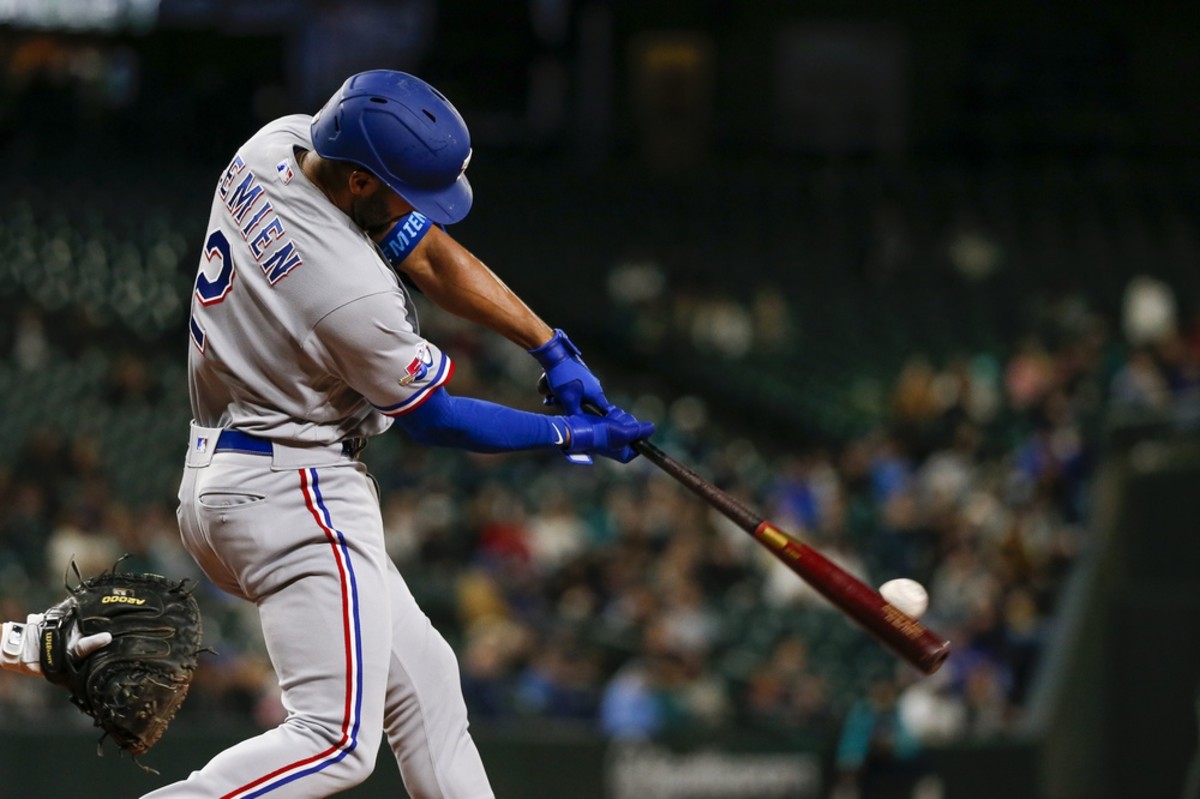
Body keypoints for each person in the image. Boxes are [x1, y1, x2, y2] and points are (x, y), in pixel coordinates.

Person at [145, 69, 651, 798]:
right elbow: (436, 418)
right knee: (335, 742)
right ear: (358, 183)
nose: (422, 207)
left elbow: (431, 253)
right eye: (408, 189)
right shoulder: (348, 288)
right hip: (295, 489)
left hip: (235, 471)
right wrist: (572, 435)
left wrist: (550, 345)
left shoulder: (275, 144)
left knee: (426, 686)